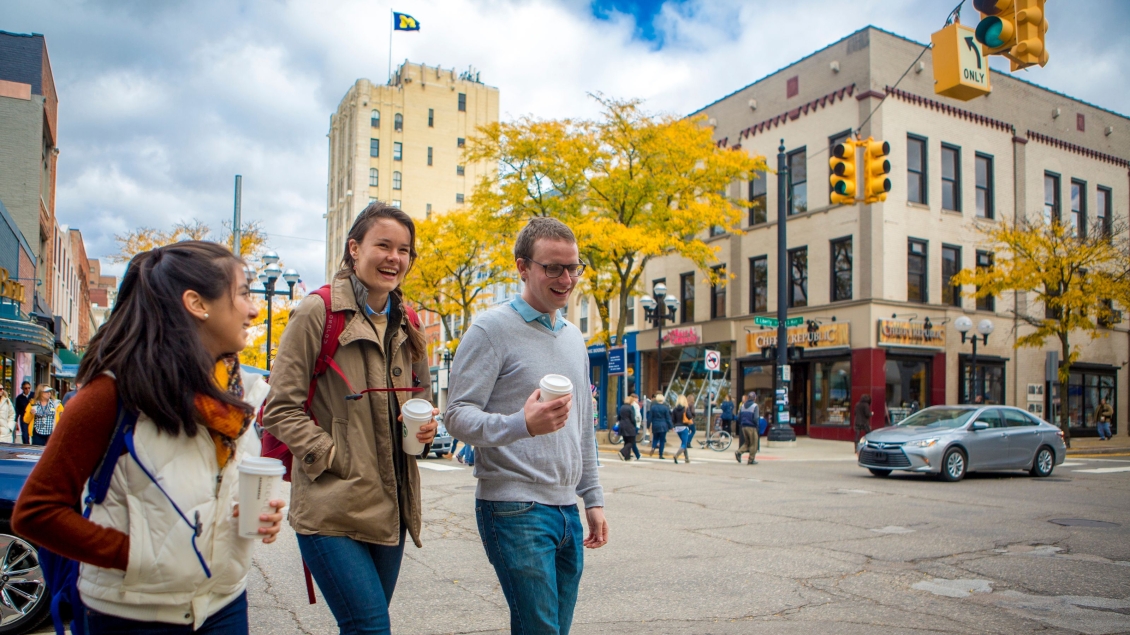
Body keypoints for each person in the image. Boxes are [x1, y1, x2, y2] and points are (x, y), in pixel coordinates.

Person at [12, 241, 283, 634]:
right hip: (133, 616)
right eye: (242, 294)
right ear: (196, 303)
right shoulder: (110, 394)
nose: (255, 309)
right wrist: (140, 557)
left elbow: (205, 497)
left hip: (223, 603)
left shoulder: (236, 397)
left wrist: (244, 515)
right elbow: (35, 513)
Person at [263, 202, 438, 635]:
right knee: (370, 628)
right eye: (383, 245)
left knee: (364, 629)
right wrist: (333, 456)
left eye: (404, 250)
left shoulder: (409, 322)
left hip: (392, 510)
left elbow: (422, 398)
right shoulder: (316, 313)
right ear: (354, 248)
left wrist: (426, 429)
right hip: (331, 508)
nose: (394, 258)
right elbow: (279, 409)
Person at [445, 217, 607, 635]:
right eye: (552, 267)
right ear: (522, 267)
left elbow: (584, 426)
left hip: (567, 508)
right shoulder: (490, 329)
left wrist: (593, 498)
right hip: (513, 507)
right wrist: (522, 424)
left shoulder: (573, 337)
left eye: (573, 267)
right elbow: (457, 415)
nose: (566, 278)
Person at [737, 392, 759, 464]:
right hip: (751, 427)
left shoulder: (742, 406)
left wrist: (741, 424)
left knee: (747, 442)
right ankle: (751, 459)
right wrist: (757, 425)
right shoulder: (755, 406)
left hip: (744, 426)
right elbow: (756, 418)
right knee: (754, 443)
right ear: (754, 398)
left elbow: (739, 417)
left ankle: (739, 452)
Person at [648, 393, 671, 458]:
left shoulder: (653, 407)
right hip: (663, 425)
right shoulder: (665, 408)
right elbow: (668, 418)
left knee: (655, 438)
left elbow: (650, 417)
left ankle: (653, 447)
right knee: (662, 440)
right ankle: (660, 454)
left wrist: (648, 425)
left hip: (655, 425)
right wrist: (671, 426)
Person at [617, 395, 638, 461]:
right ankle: (622, 452)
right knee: (631, 442)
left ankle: (627, 457)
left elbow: (618, 417)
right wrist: (635, 425)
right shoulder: (631, 408)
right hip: (629, 426)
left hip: (622, 426)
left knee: (626, 441)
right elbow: (632, 418)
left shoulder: (622, 407)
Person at [671, 394, 690, 464]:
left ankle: (687, 458)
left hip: (677, 428)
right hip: (684, 427)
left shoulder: (675, 409)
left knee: (683, 442)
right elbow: (690, 416)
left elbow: (672, 419)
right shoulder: (685, 408)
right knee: (684, 444)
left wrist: (673, 426)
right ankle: (676, 455)